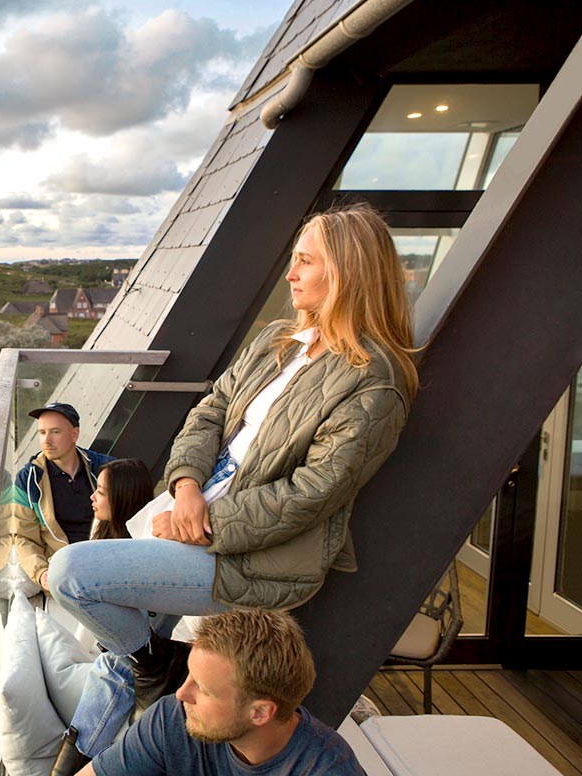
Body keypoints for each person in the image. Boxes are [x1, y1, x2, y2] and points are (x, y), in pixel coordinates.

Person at [47, 204, 418, 773]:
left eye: (304, 261)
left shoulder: (374, 381)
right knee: (122, 645)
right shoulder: (279, 339)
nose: (289, 274)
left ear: (345, 274)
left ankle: (148, 672)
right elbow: (211, 410)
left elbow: (310, 493)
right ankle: (138, 686)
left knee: (72, 575)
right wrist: (188, 485)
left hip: (253, 559)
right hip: (191, 512)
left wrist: (203, 523)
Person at [79, 609, 365, 776]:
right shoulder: (173, 719)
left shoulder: (326, 769)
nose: (182, 693)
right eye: (190, 676)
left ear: (260, 712)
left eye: (202, 689)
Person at [5, 402, 115, 591]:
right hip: (64, 569)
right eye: (41, 433)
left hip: (107, 564)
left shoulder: (105, 468)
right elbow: (23, 537)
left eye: (55, 432)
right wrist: (42, 573)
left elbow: (129, 516)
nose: (46, 440)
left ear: (74, 434)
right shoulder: (29, 479)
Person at [90, 459, 155, 542]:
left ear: (122, 498)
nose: (92, 497)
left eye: (100, 492)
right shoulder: (101, 524)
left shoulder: (148, 538)